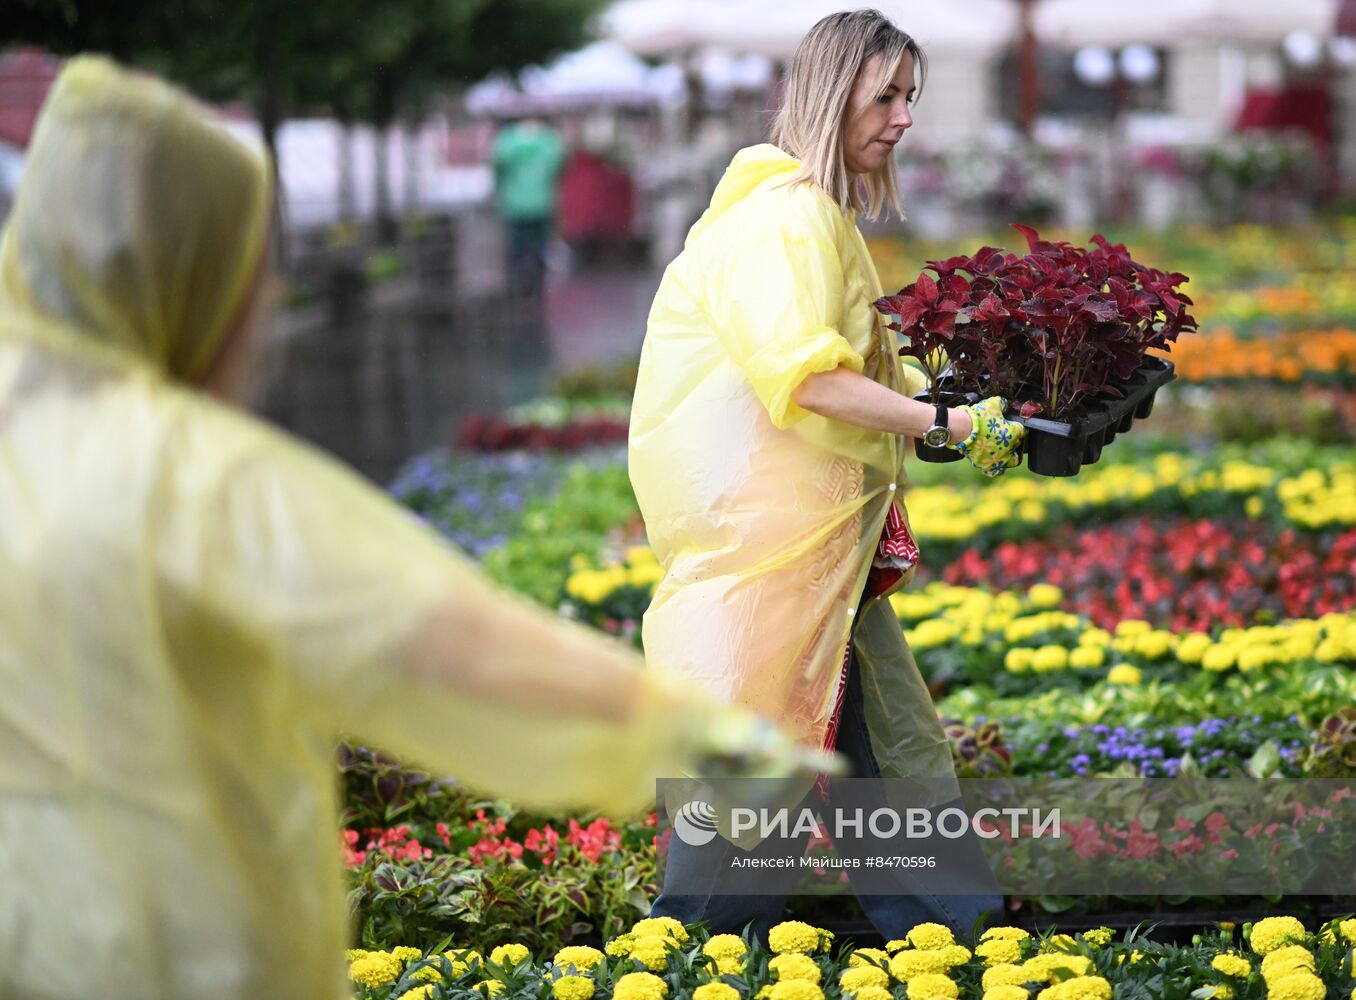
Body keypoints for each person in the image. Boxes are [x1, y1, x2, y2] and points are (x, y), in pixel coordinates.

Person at [0, 57, 837, 999]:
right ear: (185, 273)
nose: (261, 310)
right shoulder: (188, 481)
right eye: (248, 274)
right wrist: (719, 746)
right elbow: (449, 651)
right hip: (166, 949)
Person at [629, 9, 1027, 943]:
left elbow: (852, 376)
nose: (903, 118)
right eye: (884, 94)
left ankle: (958, 943)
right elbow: (808, 377)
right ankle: (690, 962)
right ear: (829, 91)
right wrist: (948, 421)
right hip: (778, 557)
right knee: (757, 803)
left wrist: (949, 416)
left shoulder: (799, 215)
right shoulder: (787, 220)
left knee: (877, 754)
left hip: (808, 555)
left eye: (910, 98)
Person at [491, 113, 566, 301]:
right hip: (542, 202)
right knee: (539, 246)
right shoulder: (549, 140)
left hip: (514, 204)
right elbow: (559, 169)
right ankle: (537, 288)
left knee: (516, 247)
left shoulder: (506, 141)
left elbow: (496, 170)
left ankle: (516, 287)